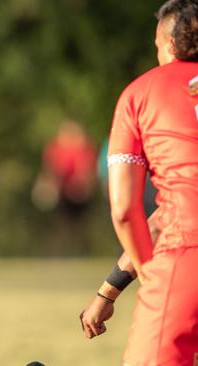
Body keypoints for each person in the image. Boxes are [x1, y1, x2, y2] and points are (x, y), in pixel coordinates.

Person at [81, 1, 198, 364]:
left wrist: (152, 278)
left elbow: (126, 211)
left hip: (185, 259)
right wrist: (108, 291)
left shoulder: (140, 93)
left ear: (168, 42)